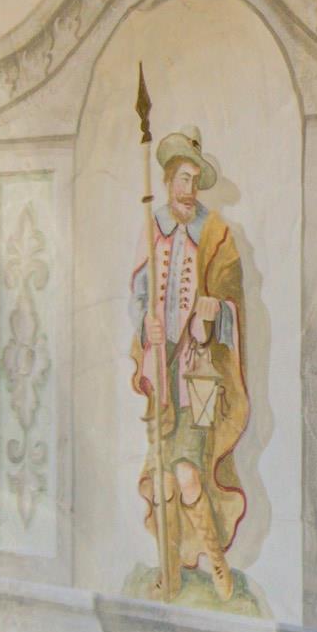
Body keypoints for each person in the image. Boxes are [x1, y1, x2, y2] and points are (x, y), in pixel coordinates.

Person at [129, 125, 249, 600]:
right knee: (162, 477)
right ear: (166, 180)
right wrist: (147, 328)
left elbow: (232, 302)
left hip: (198, 373)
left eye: (195, 180)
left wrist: (214, 311)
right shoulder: (151, 228)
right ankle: (171, 572)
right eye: (182, 178)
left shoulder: (216, 234)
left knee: (187, 474)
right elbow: (138, 297)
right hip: (161, 373)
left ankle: (218, 567)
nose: (189, 189)